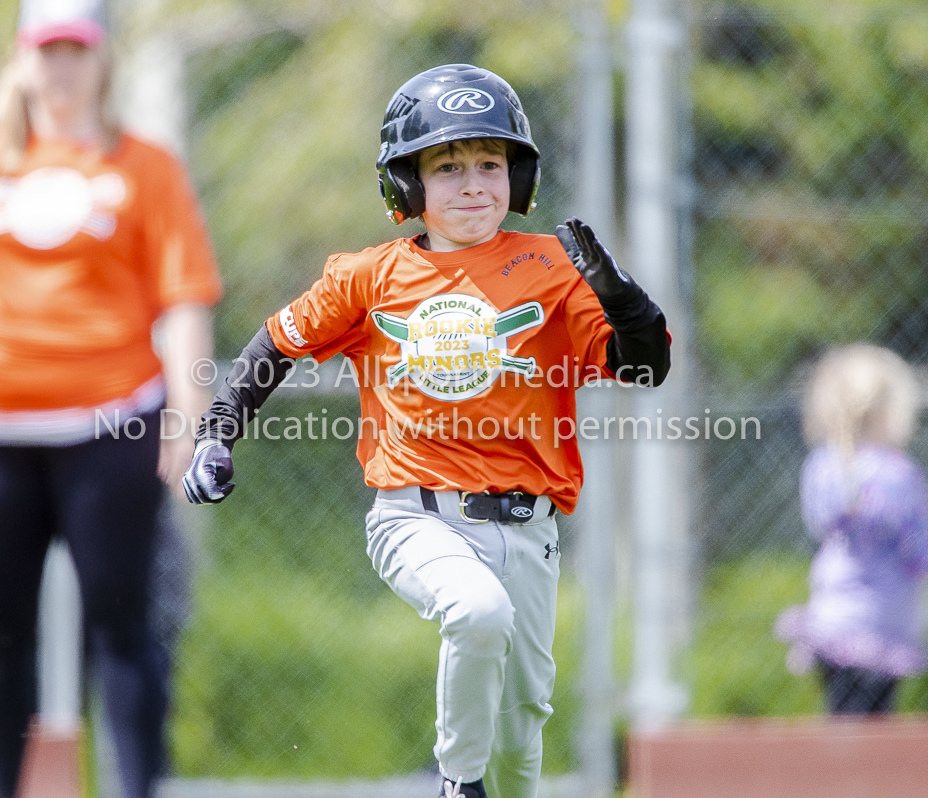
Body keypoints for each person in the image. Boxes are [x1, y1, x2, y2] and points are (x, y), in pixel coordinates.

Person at [182, 64, 670, 798]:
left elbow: (644, 371)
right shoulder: (368, 277)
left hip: (529, 528)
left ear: (519, 176)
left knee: (521, 738)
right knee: (477, 613)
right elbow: (273, 346)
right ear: (406, 185)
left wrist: (624, 303)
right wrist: (217, 431)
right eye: (447, 168)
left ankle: (484, 781)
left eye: (489, 164)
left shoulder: (550, 268)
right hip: (415, 515)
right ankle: (456, 784)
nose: (473, 184)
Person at [0, 0, 223, 796]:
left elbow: (185, 301)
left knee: (124, 628)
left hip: (109, 426)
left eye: (76, 50)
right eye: (46, 49)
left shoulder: (145, 169)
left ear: (103, 61)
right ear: (22, 60)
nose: (60, 66)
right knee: (3, 636)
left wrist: (190, 423)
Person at [776, 344, 928, 714]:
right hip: (881, 620)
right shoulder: (898, 473)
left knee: (843, 717)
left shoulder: (823, 466)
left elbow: (817, 522)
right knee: (875, 723)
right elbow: (918, 546)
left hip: (832, 616)